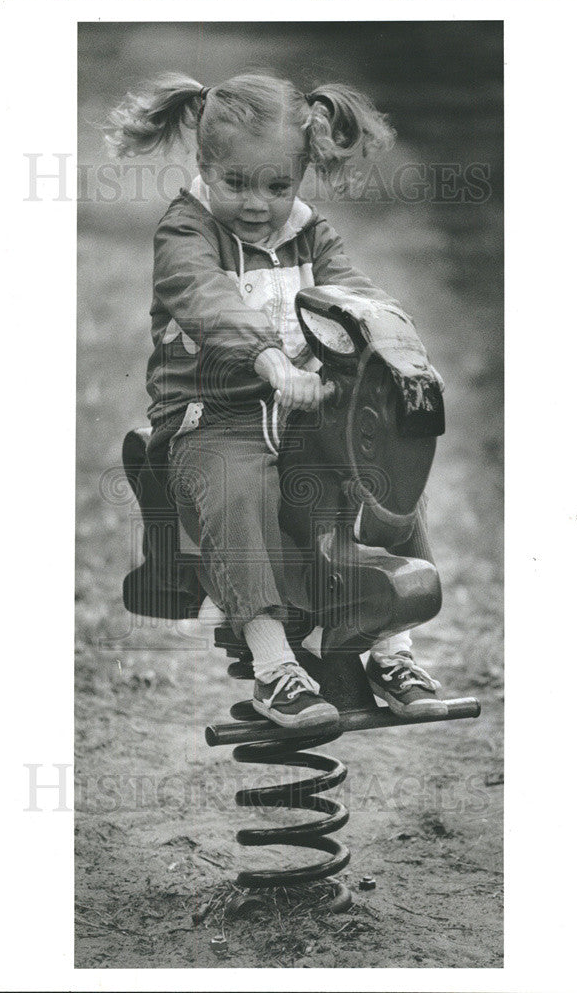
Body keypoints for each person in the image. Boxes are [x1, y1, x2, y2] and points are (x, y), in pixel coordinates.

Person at [107, 72, 446, 728]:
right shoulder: (185, 232)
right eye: (237, 184)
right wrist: (266, 357)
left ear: (299, 174)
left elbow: (356, 295)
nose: (258, 203)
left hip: (297, 416)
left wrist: (397, 349)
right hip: (212, 420)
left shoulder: (309, 233)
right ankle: (275, 666)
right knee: (235, 489)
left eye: (277, 185)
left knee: (385, 467)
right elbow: (209, 302)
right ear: (205, 166)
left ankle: (392, 648)